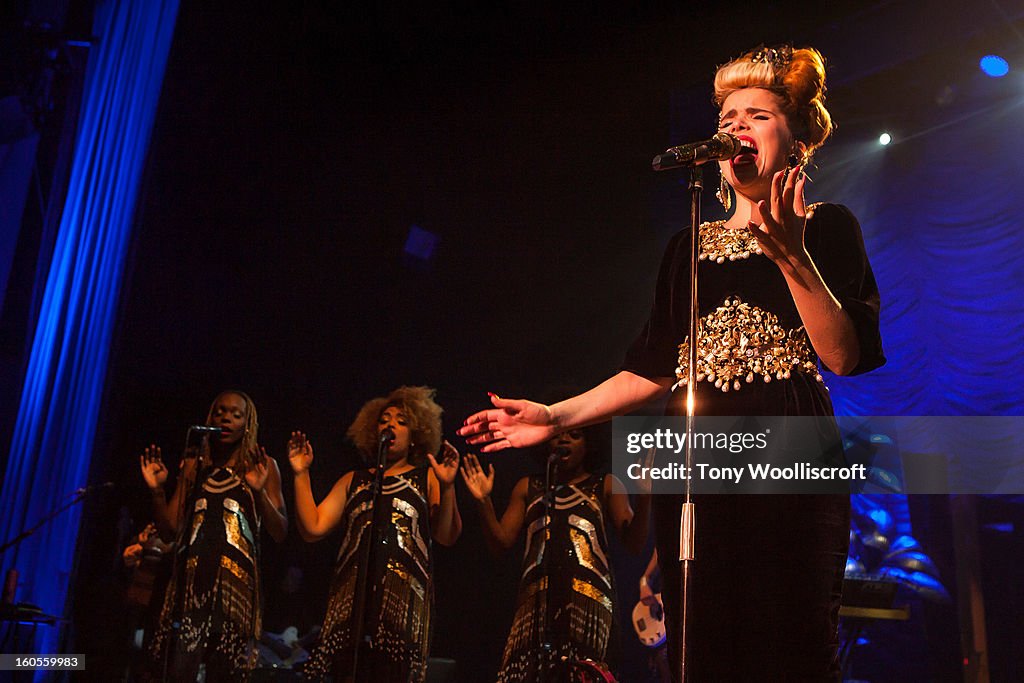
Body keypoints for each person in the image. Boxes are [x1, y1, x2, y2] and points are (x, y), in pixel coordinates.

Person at [459, 45, 884, 681]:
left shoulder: (825, 228)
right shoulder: (686, 244)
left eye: (759, 115)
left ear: (795, 143)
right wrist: (554, 414)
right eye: (729, 115)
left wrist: (792, 256)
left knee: (789, 633)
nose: (737, 125)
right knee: (703, 634)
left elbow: (844, 356)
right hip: (696, 451)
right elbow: (654, 366)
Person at [289, 385, 462, 682]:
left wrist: (447, 488)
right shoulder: (353, 480)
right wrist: (300, 473)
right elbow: (312, 528)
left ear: (416, 435)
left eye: (401, 421)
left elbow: (447, 535)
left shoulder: (427, 477)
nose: (390, 425)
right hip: (352, 605)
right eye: (384, 420)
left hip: (402, 606)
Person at [460, 426, 650, 681]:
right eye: (558, 435)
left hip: (588, 606)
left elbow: (635, 544)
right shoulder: (528, 487)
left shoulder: (605, 484)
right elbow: (500, 543)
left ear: (590, 444)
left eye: (575, 435)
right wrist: (484, 502)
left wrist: (646, 496)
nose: (564, 439)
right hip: (536, 607)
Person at [140, 390, 287, 681]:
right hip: (191, 590)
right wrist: (157, 491)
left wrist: (259, 494)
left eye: (235, 414)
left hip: (236, 594)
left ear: (247, 424)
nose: (226, 419)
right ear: (210, 418)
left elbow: (280, 531)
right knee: (180, 670)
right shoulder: (195, 466)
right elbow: (169, 530)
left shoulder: (262, 466)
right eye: (220, 412)